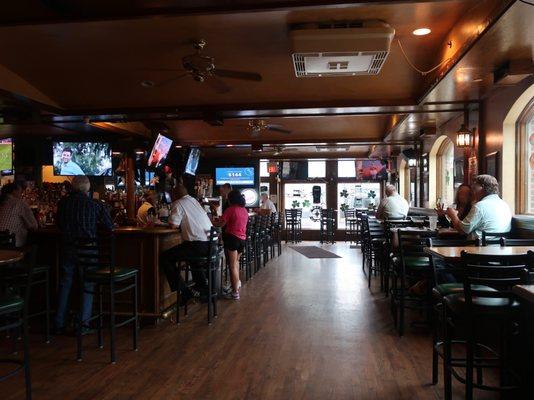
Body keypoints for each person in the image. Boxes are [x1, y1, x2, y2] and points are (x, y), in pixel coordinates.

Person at [55, 176, 113, 334]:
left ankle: (59, 323)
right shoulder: (94, 205)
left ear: (72, 188)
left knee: (65, 283)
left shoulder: (63, 203)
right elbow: (109, 227)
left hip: (67, 248)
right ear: (87, 189)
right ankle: (83, 324)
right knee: (87, 283)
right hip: (88, 250)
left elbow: (58, 224)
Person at [160, 183, 213, 305]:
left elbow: (173, 225)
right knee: (192, 258)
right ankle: (202, 288)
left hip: (198, 245)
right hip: (209, 245)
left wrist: (160, 223)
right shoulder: (193, 200)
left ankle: (185, 291)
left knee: (165, 258)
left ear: (175, 195)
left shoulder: (178, 203)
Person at [446, 174, 512, 238]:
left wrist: (453, 215)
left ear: (482, 188)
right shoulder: (505, 205)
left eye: (474, 188)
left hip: (479, 247)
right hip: (501, 246)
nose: (473, 192)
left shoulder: (480, 206)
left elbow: (463, 230)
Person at [216, 190, 248, 300]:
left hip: (232, 239)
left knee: (232, 265)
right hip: (242, 239)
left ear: (231, 199)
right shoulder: (244, 210)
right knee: (236, 263)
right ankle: (236, 285)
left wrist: (214, 218)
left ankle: (235, 292)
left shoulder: (230, 209)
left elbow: (221, 223)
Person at [0, 182, 38, 247]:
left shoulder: (2, 202)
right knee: (35, 245)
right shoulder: (19, 203)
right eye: (20, 191)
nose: (21, 193)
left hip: (2, 243)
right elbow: (34, 226)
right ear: (14, 191)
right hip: (11, 244)